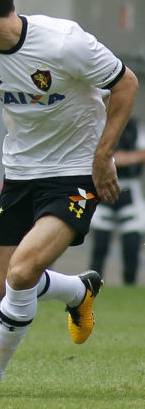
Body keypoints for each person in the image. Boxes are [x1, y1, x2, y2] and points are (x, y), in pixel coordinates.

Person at [0, 0, 138, 398]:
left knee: (22, 272)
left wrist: (103, 156)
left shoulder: (64, 43)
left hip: (75, 173)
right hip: (21, 174)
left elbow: (126, 84)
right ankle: (78, 291)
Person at [89, 118, 145, 285]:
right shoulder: (98, 123)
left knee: (131, 240)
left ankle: (130, 282)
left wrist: (114, 159)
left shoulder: (134, 126)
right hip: (103, 188)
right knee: (100, 242)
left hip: (128, 187)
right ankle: (93, 285)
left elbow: (141, 153)